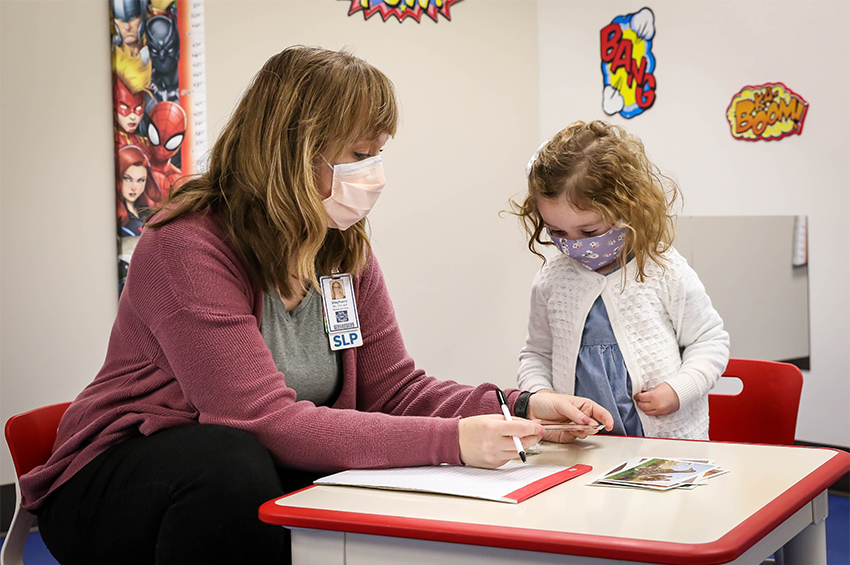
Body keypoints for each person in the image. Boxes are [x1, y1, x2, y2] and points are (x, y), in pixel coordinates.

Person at [22, 47, 613, 565]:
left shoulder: (341, 249)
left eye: (378, 153)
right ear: (291, 151)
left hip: (237, 481)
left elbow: (395, 390)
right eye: (359, 153)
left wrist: (518, 405)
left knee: (317, 480)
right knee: (232, 463)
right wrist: (454, 439)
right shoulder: (187, 245)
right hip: (116, 486)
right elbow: (262, 421)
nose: (374, 174)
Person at [514, 120, 729, 440]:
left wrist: (679, 390)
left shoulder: (662, 268)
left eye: (589, 232)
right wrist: (542, 396)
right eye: (557, 232)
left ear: (627, 209)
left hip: (666, 443)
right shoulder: (551, 281)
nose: (573, 243)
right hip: (587, 447)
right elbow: (535, 355)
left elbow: (709, 340)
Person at [116, 144, 162, 237]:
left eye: (140, 180)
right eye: (128, 179)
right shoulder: (115, 216)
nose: (134, 187)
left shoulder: (147, 212)